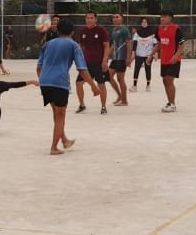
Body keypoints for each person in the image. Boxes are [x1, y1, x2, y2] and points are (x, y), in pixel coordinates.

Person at [36, 19, 101, 155]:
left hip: (45, 82)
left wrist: (42, 80)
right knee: (61, 115)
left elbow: (39, 67)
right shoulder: (74, 45)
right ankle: (54, 147)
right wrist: (94, 86)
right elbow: (82, 70)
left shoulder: (47, 44)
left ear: (58, 31)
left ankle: (64, 140)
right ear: (72, 32)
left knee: (57, 113)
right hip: (59, 83)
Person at [76, 12, 111, 114]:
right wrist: (80, 61)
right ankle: (82, 105)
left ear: (96, 19)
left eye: (91, 18)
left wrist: (105, 61)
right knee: (78, 83)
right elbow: (81, 47)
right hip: (86, 64)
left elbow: (106, 46)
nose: (89, 20)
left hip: (99, 63)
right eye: (87, 18)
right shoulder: (82, 31)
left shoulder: (101, 30)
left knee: (101, 84)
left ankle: (103, 107)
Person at [153, 10, 184, 113]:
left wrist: (176, 55)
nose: (162, 18)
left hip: (174, 60)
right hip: (164, 60)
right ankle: (170, 102)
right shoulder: (159, 29)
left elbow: (181, 44)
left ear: (171, 18)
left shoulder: (177, 29)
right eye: (161, 16)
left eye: (165, 17)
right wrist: (151, 54)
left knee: (168, 79)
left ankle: (173, 104)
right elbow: (158, 43)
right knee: (165, 81)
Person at [108, 13, 132, 106]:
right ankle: (119, 96)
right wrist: (108, 54)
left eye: (117, 17)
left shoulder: (124, 30)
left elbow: (129, 44)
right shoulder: (113, 30)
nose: (115, 19)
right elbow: (113, 44)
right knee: (109, 77)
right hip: (115, 58)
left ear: (122, 19)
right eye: (113, 17)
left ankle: (124, 101)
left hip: (122, 58)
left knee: (120, 79)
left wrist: (128, 58)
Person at [131, 18, 156, 92]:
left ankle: (148, 85)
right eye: (143, 22)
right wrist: (133, 53)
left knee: (148, 69)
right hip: (139, 54)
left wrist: (155, 54)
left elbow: (155, 44)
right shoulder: (137, 33)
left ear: (148, 23)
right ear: (141, 23)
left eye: (145, 22)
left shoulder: (152, 33)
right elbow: (135, 43)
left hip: (148, 54)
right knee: (136, 69)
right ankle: (134, 86)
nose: (144, 23)